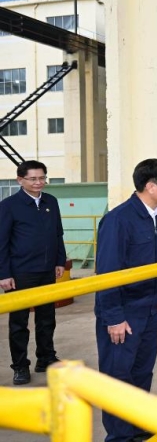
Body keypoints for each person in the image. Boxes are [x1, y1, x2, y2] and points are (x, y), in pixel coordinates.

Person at [94, 159, 157, 442]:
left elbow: (155, 263)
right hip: (124, 312)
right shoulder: (119, 220)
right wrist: (114, 317)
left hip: (149, 307)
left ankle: (137, 427)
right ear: (151, 186)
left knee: (142, 372)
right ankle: (119, 437)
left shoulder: (156, 216)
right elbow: (107, 273)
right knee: (118, 376)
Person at [0, 160, 66, 385]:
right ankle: (20, 366)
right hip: (20, 273)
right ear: (20, 180)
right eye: (33, 179)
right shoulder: (9, 206)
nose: (39, 182)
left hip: (47, 270)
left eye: (42, 178)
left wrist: (59, 261)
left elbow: (58, 234)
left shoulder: (51, 202)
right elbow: (2, 242)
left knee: (47, 319)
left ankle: (45, 358)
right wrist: (4, 273)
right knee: (19, 323)